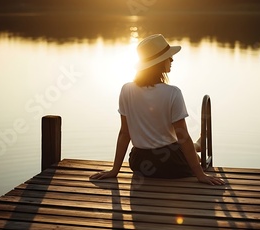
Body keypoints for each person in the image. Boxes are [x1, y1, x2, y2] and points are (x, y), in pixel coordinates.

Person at [90, 34, 224, 185]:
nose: (172, 60)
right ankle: (199, 146)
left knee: (177, 146)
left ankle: (199, 145)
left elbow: (124, 133)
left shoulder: (126, 90)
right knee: (185, 150)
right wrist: (200, 175)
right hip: (171, 164)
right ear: (159, 62)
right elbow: (183, 137)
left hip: (140, 164)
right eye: (169, 57)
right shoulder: (173, 93)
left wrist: (115, 170)